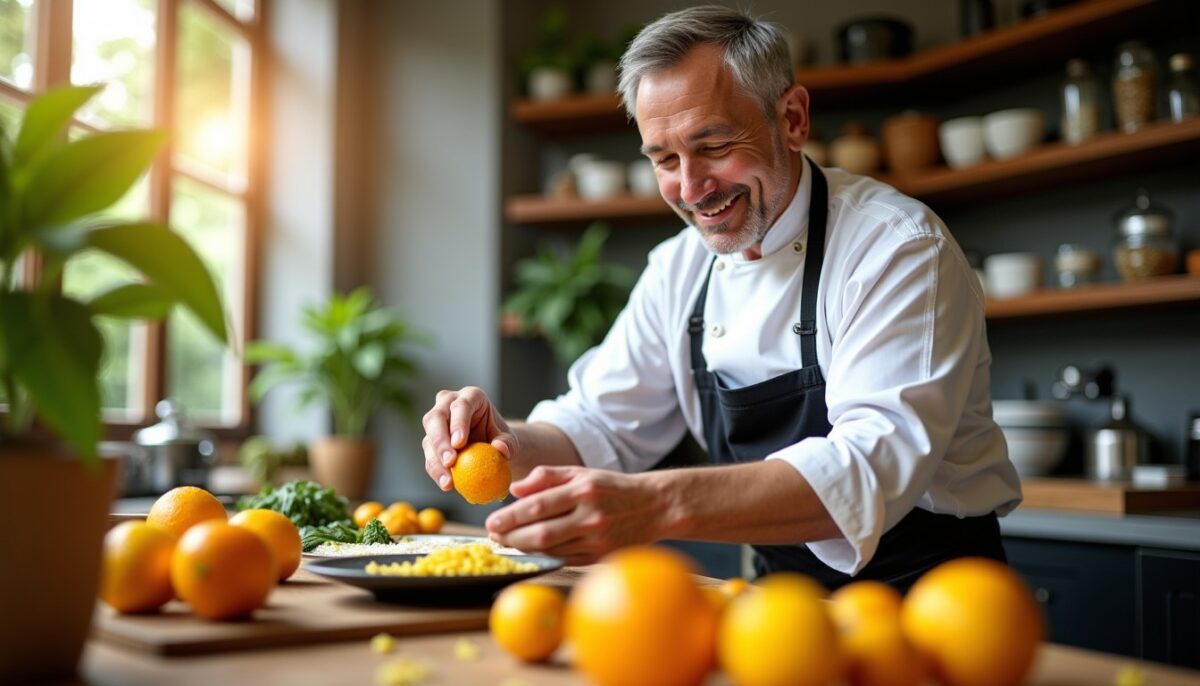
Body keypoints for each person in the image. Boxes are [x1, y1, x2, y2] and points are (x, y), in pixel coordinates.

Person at [421, 5, 1021, 591]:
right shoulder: (680, 269)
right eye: (664, 159)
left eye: (712, 146)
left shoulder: (896, 248)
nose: (691, 188)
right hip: (782, 603)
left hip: (933, 595)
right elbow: (599, 426)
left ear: (790, 118)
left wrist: (660, 504)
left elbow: (867, 470)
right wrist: (504, 441)